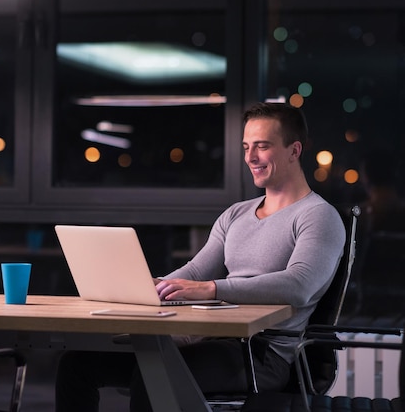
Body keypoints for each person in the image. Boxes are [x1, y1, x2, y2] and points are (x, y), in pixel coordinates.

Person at [54, 102, 346, 412]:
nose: (250, 157)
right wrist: (151, 286)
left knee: (156, 376)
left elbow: (299, 285)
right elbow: (196, 271)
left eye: (262, 146)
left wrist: (213, 289)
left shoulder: (318, 216)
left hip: (261, 354)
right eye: (246, 146)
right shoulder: (236, 214)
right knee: (77, 365)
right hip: (208, 339)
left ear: (294, 150)